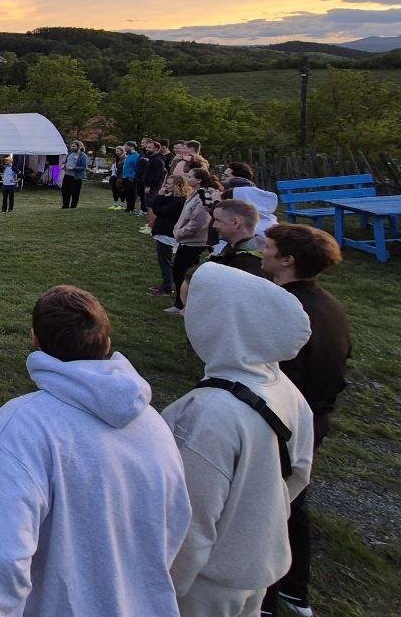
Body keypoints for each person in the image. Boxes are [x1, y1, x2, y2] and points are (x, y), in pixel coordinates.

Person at [0, 286, 190, 617]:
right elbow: (175, 522)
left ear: (35, 339)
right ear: (106, 343)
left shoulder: (23, 426)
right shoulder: (155, 425)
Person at [162, 263, 314, 617]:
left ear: (219, 320)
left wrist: (163, 587)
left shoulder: (210, 413)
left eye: (194, 309)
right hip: (257, 563)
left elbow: (190, 521)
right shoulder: (285, 390)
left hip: (202, 583)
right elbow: (298, 474)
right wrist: (253, 516)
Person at [259, 225, 351, 617]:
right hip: (313, 414)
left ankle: (268, 592)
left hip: (287, 418)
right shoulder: (328, 304)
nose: (262, 251)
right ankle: (295, 589)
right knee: (293, 500)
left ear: (287, 260)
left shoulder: (286, 308)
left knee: (270, 504)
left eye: (269, 247)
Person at [169, 168, 221, 313]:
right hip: (189, 239)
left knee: (181, 271)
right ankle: (184, 303)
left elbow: (199, 222)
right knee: (183, 270)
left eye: (190, 176)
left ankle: (182, 304)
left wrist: (180, 233)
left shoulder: (204, 196)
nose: (187, 177)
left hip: (193, 240)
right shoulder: (196, 193)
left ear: (198, 180)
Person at [149, 174, 190, 297]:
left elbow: (158, 210)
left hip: (167, 234)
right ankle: (166, 284)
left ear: (177, 185)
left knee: (165, 261)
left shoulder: (179, 201)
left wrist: (160, 195)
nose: (166, 184)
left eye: (169, 183)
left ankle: (167, 287)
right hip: (164, 232)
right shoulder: (172, 198)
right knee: (164, 260)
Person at [209, 200, 267, 278]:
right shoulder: (230, 250)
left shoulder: (251, 263)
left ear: (236, 222)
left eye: (218, 220)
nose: (214, 225)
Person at [61, 141, 89, 209]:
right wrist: (64, 165)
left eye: (74, 146)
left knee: (75, 192)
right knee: (64, 191)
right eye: (71, 146)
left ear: (78, 147)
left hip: (76, 177)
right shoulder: (70, 153)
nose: (72, 148)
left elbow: (83, 167)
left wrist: (73, 168)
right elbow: (66, 162)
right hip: (67, 175)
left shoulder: (83, 156)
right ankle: (65, 205)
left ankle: (73, 206)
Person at [119, 141, 141, 213]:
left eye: (126, 146)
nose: (125, 148)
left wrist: (132, 176)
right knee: (127, 193)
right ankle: (128, 207)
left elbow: (136, 168)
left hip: (131, 178)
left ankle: (131, 207)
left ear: (131, 147)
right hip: (125, 177)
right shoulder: (128, 155)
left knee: (131, 193)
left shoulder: (136, 156)